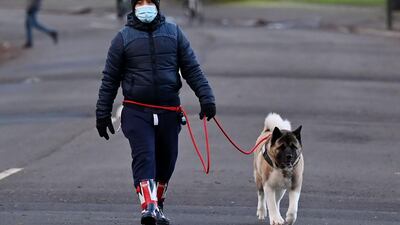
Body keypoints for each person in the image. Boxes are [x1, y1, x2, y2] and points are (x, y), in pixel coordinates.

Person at [95, 0, 216, 224]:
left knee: (167, 161)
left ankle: (157, 204)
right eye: (139, 2)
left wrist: (206, 98)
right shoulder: (122, 38)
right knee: (145, 157)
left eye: (149, 2)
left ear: (157, 5)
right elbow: (109, 79)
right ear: (133, 6)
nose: (145, 7)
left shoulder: (174, 33)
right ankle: (148, 208)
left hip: (169, 111)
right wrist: (102, 113)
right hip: (136, 111)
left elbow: (191, 68)